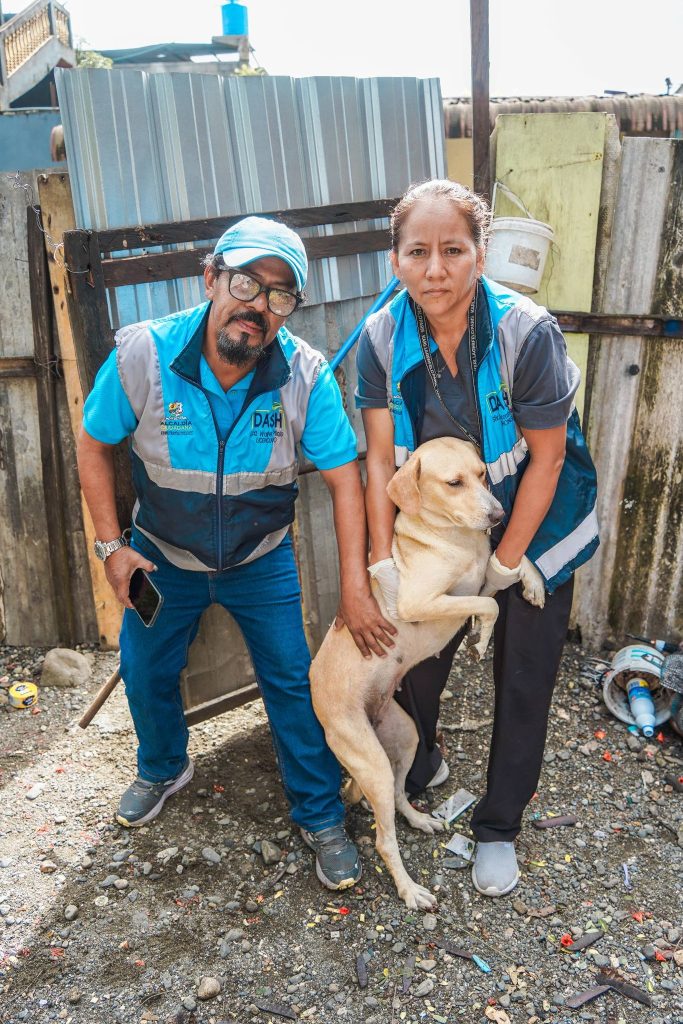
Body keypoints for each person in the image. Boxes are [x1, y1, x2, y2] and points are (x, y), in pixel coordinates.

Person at [77, 216, 396, 891]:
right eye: (246, 283)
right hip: (161, 556)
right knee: (144, 670)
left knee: (292, 682)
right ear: (211, 279)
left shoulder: (304, 375)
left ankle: (318, 813)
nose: (258, 305)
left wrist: (356, 585)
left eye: (279, 295)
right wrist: (112, 548)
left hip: (261, 560)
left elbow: (345, 480)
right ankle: (164, 766)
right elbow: (94, 443)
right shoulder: (144, 354)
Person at [356, 179, 598, 897]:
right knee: (417, 657)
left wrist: (506, 561)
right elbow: (379, 460)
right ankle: (422, 760)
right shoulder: (380, 338)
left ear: (480, 254)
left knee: (523, 674)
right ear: (395, 259)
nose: (435, 269)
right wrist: (380, 561)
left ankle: (497, 827)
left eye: (453, 250)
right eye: (417, 252)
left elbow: (546, 460)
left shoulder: (527, 332)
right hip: (447, 528)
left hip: (537, 518)